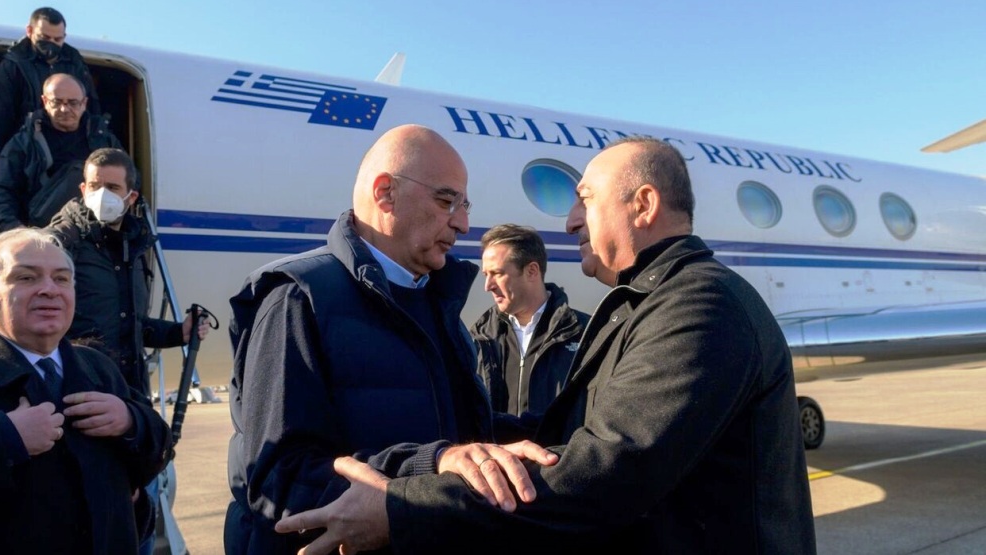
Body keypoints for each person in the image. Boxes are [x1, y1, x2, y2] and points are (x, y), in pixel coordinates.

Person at [275, 136, 817, 554]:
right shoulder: (648, 301)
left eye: (584, 200)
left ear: (644, 204)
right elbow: (569, 434)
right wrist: (453, 453)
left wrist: (399, 510)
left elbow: (603, 472)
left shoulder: (700, 306)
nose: (572, 220)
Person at [224, 123, 555, 555]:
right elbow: (277, 479)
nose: (463, 223)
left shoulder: (436, 304)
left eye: (464, 205)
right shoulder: (298, 299)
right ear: (385, 193)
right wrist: (429, 468)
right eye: (446, 200)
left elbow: (462, 434)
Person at [0, 227, 172, 554]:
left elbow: (160, 447)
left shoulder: (97, 366)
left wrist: (131, 421)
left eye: (61, 279)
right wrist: (3, 437)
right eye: (26, 277)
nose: (49, 289)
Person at [48, 147, 209, 555]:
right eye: (94, 185)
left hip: (128, 399)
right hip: (79, 401)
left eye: (112, 187)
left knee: (138, 517)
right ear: (82, 189)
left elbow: (130, 325)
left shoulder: (134, 246)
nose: (102, 194)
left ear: (131, 196)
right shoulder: (58, 246)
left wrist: (178, 333)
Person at [469, 223, 588, 442]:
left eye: (497, 273)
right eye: (486, 274)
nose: (488, 285)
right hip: (497, 463)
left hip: (559, 461)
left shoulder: (585, 333)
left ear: (532, 271)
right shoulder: (478, 337)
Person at [0, 6, 100, 192]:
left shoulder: (76, 64)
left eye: (57, 39)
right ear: (29, 31)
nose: (51, 44)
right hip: (27, 153)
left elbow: (92, 112)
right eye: (45, 38)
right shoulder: (13, 65)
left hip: (70, 153)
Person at [0, 73, 120, 233]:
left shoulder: (104, 140)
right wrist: (15, 230)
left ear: (84, 103)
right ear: (45, 101)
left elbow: (129, 182)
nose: (64, 109)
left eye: (73, 103)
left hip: (96, 233)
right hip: (40, 235)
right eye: (56, 102)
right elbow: (3, 190)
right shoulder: (24, 143)